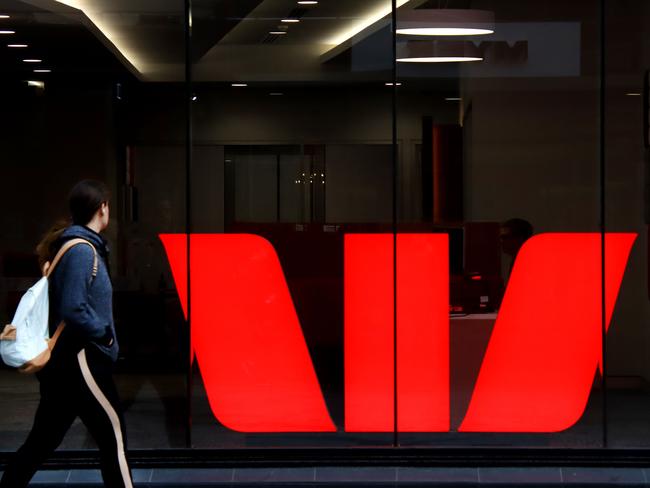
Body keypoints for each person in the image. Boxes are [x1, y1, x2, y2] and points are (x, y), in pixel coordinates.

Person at [0, 180, 134, 488]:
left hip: (66, 366)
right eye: (108, 205)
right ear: (102, 208)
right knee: (113, 439)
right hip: (82, 360)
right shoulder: (82, 251)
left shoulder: (77, 246)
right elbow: (74, 308)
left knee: (41, 443)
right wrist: (104, 334)